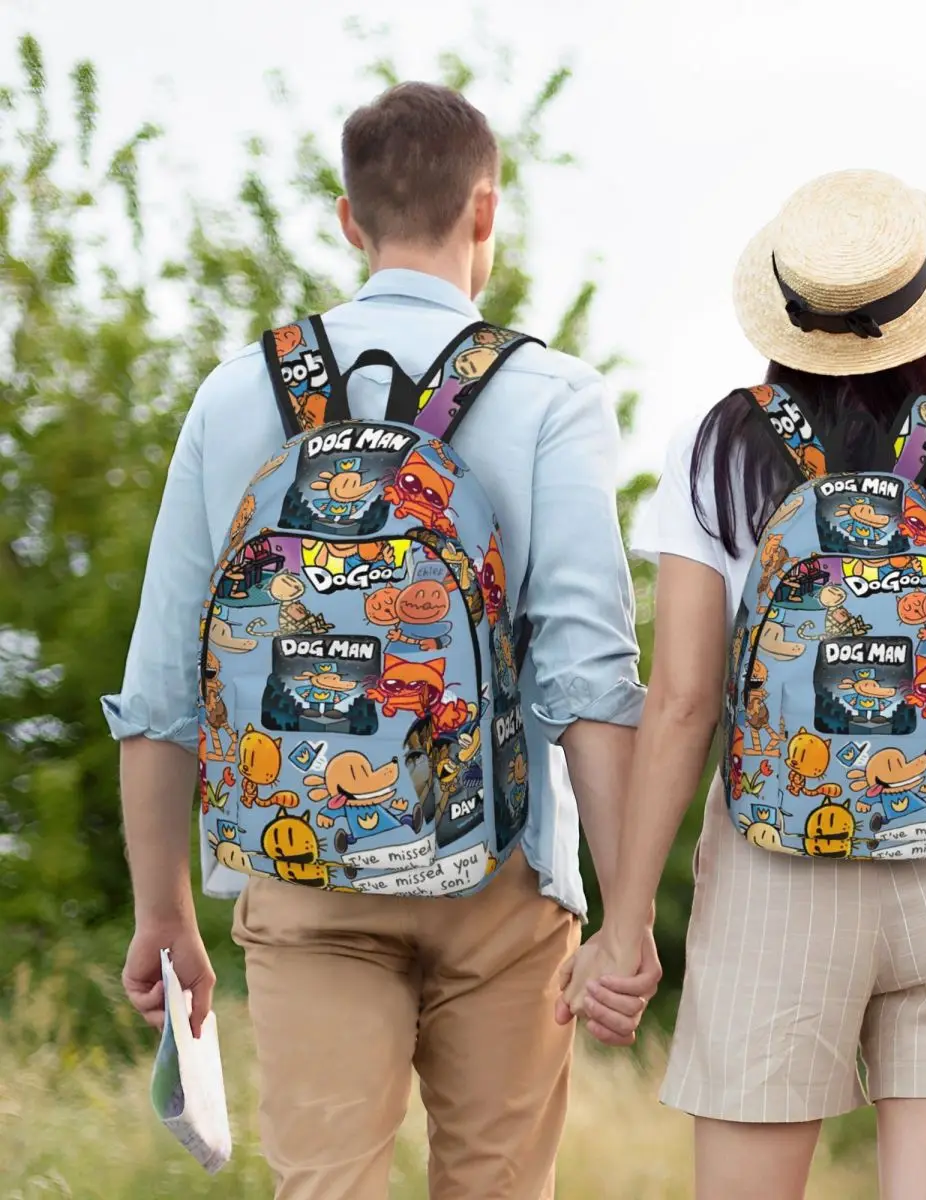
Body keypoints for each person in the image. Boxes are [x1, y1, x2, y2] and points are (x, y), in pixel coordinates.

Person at [104, 81, 661, 1200]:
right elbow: (588, 678)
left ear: (349, 219)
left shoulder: (235, 394)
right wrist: (627, 914)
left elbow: (164, 682)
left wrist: (163, 910)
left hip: (301, 869)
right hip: (503, 873)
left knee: (325, 1186)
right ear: (486, 213)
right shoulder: (551, 395)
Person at [559, 169, 926, 1199]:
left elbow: (681, 706)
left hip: (774, 879)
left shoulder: (718, 452)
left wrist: (623, 927)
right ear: (924, 315)